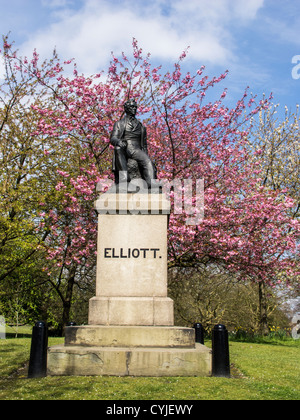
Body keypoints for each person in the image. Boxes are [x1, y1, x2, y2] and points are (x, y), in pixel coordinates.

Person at [110, 99, 157, 189]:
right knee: (118, 149)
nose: (134, 109)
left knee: (148, 162)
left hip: (137, 149)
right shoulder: (119, 124)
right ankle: (124, 180)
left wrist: (146, 154)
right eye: (132, 107)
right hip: (125, 147)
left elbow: (144, 145)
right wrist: (119, 142)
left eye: (135, 107)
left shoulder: (141, 126)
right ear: (126, 109)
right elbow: (113, 138)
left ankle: (151, 184)